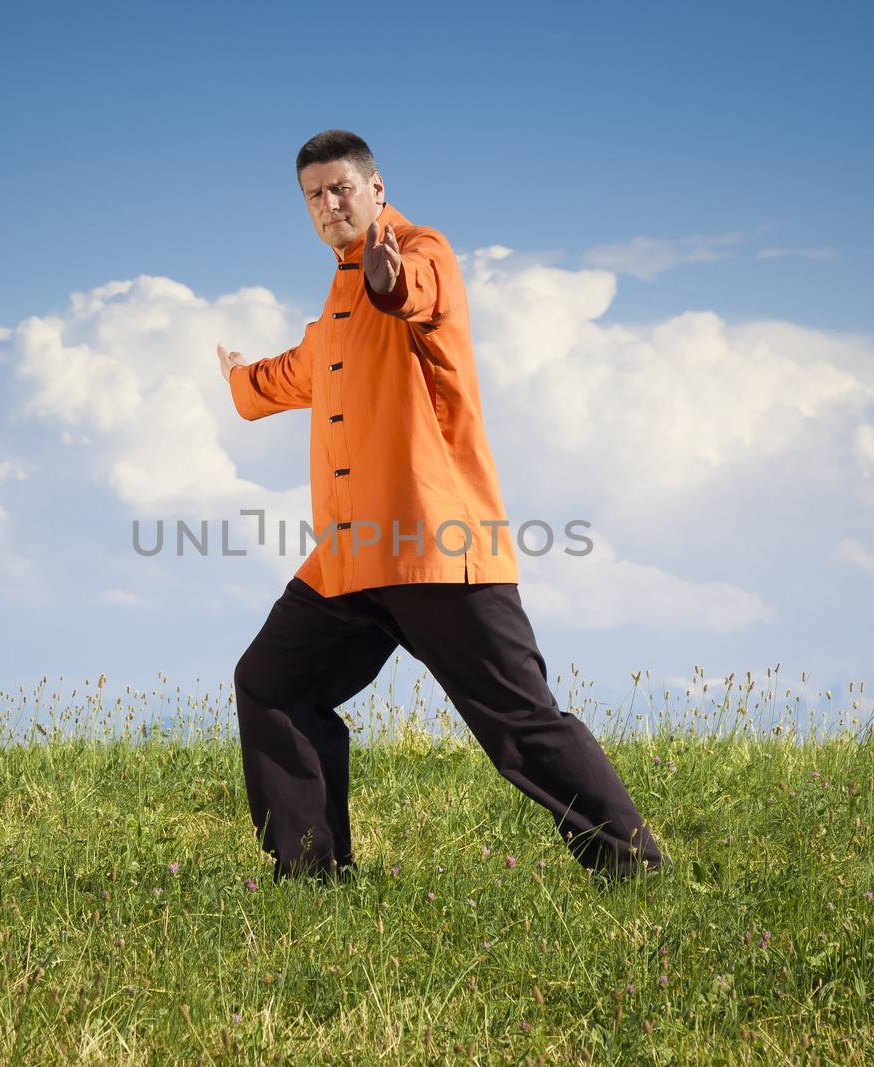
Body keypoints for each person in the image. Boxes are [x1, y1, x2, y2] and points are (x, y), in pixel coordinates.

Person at [215, 129, 660, 883]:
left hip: (434, 546)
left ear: (376, 188)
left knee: (519, 724)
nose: (328, 205)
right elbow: (301, 373)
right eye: (314, 196)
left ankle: (632, 865)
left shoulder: (422, 254)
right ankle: (309, 876)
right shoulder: (333, 311)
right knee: (270, 682)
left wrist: (389, 281)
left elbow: (414, 293)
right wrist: (240, 382)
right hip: (352, 558)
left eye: (341, 189)